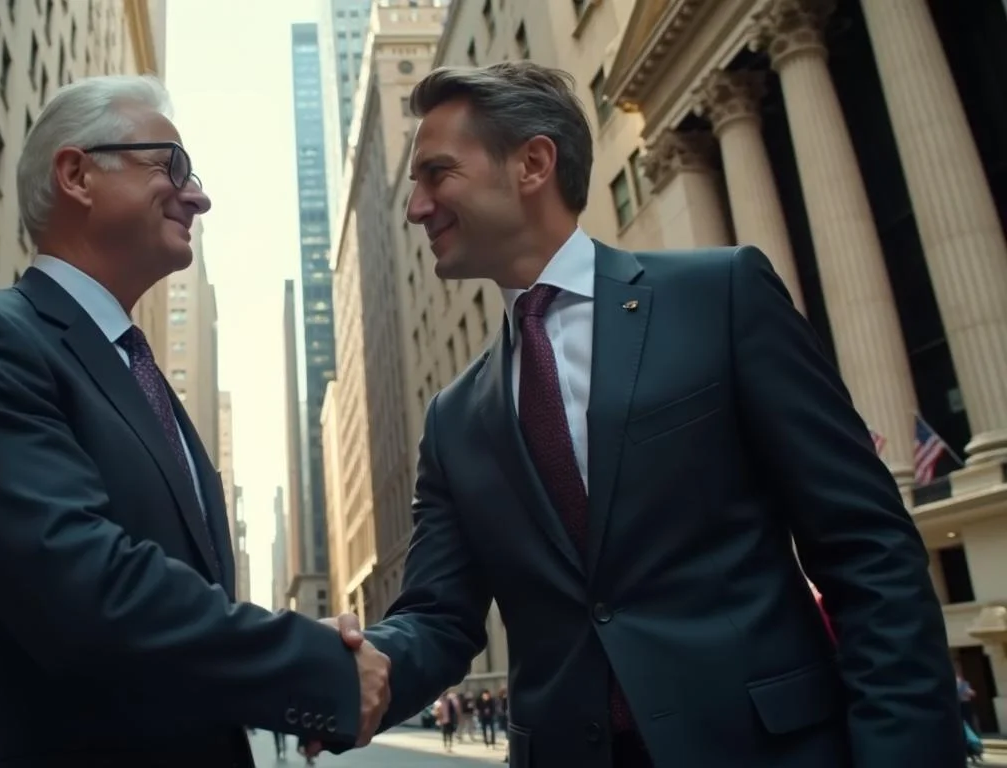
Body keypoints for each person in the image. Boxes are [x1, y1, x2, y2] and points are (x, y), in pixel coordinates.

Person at [316, 61, 961, 768]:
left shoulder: (722, 298)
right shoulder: (453, 419)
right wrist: (336, 671)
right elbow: (437, 616)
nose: (415, 207)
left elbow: (867, 550)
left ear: (532, 164)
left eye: (436, 174)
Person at [0, 74, 388, 766]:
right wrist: (314, 664)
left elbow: (182, 607)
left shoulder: (139, 376)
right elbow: (85, 591)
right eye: (171, 166)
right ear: (78, 175)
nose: (198, 197)